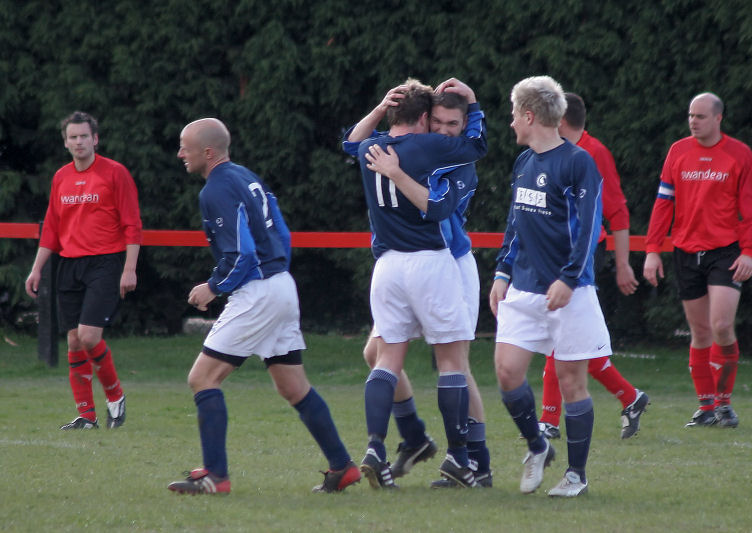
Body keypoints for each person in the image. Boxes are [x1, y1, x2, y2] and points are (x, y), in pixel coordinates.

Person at [167, 118, 360, 495]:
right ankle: (343, 467)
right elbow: (280, 233)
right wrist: (276, 274)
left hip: (258, 292)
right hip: (281, 285)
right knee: (293, 386)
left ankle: (215, 477)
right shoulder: (245, 176)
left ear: (207, 152)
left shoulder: (216, 189)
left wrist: (213, 286)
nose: (179, 153)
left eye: (184, 146)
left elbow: (242, 254)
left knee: (202, 379)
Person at [343, 85, 492, 488]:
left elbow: (349, 142)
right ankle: (460, 457)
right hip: (430, 261)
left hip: (388, 265)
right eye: (436, 121)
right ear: (425, 118)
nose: (442, 130)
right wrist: (474, 103)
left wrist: (377, 110)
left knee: (385, 359)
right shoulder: (430, 147)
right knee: (451, 364)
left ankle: (377, 445)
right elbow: (477, 146)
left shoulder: (370, 149)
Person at [490, 75, 608, 498]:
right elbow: (515, 223)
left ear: (528, 115)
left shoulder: (578, 162)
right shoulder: (524, 164)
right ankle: (538, 447)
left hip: (569, 291)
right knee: (506, 372)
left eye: (512, 115)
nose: (509, 125)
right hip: (523, 286)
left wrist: (570, 277)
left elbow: (589, 227)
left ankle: (576, 475)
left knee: (572, 379)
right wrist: (503, 272)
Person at [643, 92, 752, 429]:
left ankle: (725, 405)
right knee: (699, 330)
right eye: (690, 115)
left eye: (700, 116)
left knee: (722, 325)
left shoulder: (739, 154)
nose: (693, 121)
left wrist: (749, 251)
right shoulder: (678, 151)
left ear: (718, 118)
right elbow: (663, 202)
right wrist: (653, 250)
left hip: (726, 251)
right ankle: (706, 407)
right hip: (685, 251)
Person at [537, 92, 649, 440]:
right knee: (571, 342)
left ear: (561, 120)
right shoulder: (548, 151)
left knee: (563, 339)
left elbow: (616, 212)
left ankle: (549, 421)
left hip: (582, 256)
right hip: (554, 254)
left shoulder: (593, 153)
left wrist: (622, 264)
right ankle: (630, 397)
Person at [25, 111, 141, 431]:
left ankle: (115, 398)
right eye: (72, 137)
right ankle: (86, 416)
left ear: (95, 139)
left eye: (84, 136)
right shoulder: (61, 177)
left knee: (90, 337)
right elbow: (51, 227)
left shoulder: (115, 173)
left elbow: (132, 223)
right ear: (66, 142)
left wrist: (129, 269)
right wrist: (37, 269)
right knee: (74, 341)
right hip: (69, 264)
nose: (79, 141)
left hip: (105, 263)